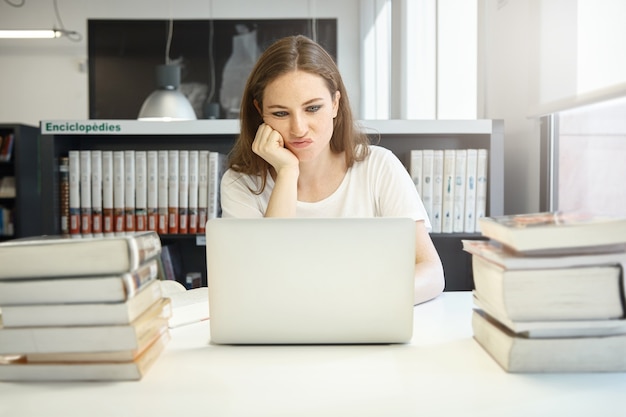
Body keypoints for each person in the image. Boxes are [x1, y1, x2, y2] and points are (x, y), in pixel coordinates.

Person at [220, 35, 445, 305]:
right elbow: (264, 282)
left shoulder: (379, 167)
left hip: (365, 322)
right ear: (260, 112)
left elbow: (431, 272)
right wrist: (288, 173)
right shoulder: (240, 183)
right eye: (281, 113)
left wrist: (359, 300)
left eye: (313, 108)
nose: (299, 128)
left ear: (335, 104)